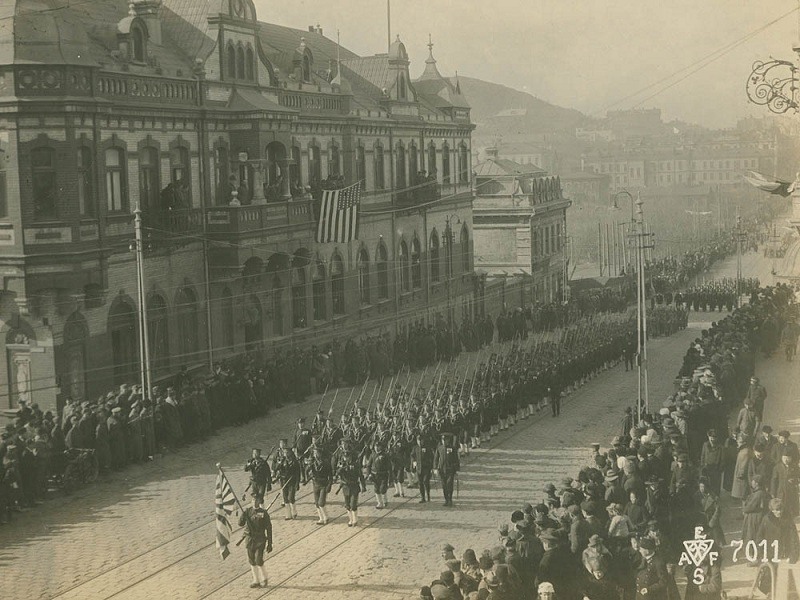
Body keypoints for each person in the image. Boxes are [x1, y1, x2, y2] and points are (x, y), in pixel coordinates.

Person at [238, 496, 273, 589]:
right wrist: (242, 516)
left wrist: (270, 543)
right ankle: (256, 580)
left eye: (256, 499)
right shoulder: (247, 511)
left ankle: (264, 578)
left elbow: (269, 528)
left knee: (258, 560)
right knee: (252, 560)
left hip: (260, 540)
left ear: (259, 501)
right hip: (250, 540)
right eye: (253, 499)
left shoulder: (264, 513)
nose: (254, 501)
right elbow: (240, 524)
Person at [434, 432, 460, 507]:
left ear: (448, 440)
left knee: (449, 484)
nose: (444, 441)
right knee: (444, 485)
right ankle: (446, 499)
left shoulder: (452, 448)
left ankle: (450, 499)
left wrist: (456, 470)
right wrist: (435, 468)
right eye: (443, 440)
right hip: (442, 470)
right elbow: (436, 459)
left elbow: (456, 459)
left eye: (445, 440)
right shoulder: (439, 448)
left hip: (450, 470)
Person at [309, 447, 332, 525]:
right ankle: (321, 518)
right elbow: (308, 472)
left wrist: (329, 485)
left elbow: (330, 475)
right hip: (315, 484)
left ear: (320, 454)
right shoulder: (313, 463)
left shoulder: (326, 463)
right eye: (314, 453)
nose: (315, 455)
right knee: (316, 503)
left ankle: (326, 517)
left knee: (321, 502)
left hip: (323, 484)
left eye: (317, 453)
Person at [413, 434, 433, 503]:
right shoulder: (415, 448)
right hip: (419, 468)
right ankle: (423, 497)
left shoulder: (427, 447)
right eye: (418, 440)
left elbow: (431, 457)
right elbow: (412, 455)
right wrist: (414, 461)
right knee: (420, 483)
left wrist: (431, 467)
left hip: (426, 468)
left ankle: (428, 495)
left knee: (426, 481)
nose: (419, 442)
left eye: (420, 440)